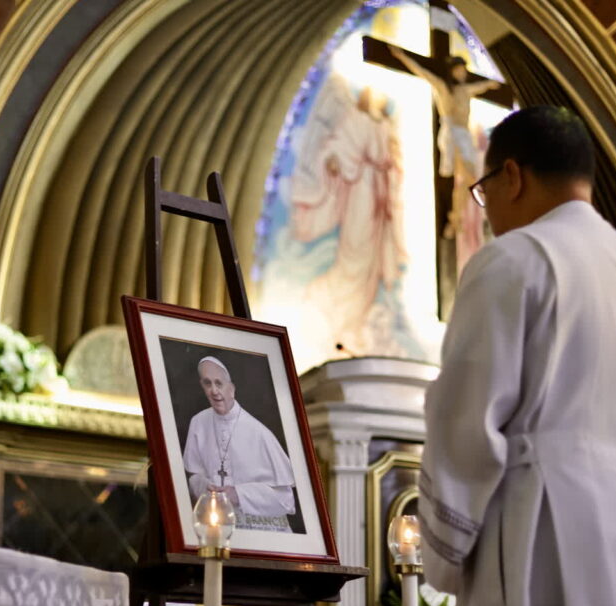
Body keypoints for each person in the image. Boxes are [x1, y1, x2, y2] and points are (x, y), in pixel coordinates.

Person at [418, 105, 616, 606]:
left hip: (541, 540)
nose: (487, 210)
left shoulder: (513, 260)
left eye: (484, 191)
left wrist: (444, 556)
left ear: (512, 176)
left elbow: (466, 425)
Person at [291, 84, 405, 355]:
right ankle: (335, 310)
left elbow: (391, 159)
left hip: (378, 192)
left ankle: (355, 323)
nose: (380, 97)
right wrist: (334, 160)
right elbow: (337, 146)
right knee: (355, 250)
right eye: (375, 93)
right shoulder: (356, 118)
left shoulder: (385, 124)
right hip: (360, 191)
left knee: (371, 264)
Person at [390, 45, 500, 272]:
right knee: (466, 177)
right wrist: (402, 56)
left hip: (464, 135)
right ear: (452, 71)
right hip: (452, 134)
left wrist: (490, 84)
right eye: (459, 70)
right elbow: (424, 72)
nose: (462, 74)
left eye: (464, 70)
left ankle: (455, 218)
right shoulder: (442, 88)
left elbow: (480, 87)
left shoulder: (465, 90)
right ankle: (463, 214)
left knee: (465, 181)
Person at [182, 356, 297, 532]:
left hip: (260, 535)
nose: (214, 391)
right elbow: (193, 475)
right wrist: (204, 487)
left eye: (219, 383)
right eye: (207, 383)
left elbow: (286, 501)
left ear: (232, 389)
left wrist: (239, 494)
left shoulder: (259, 433)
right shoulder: (198, 422)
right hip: (216, 530)